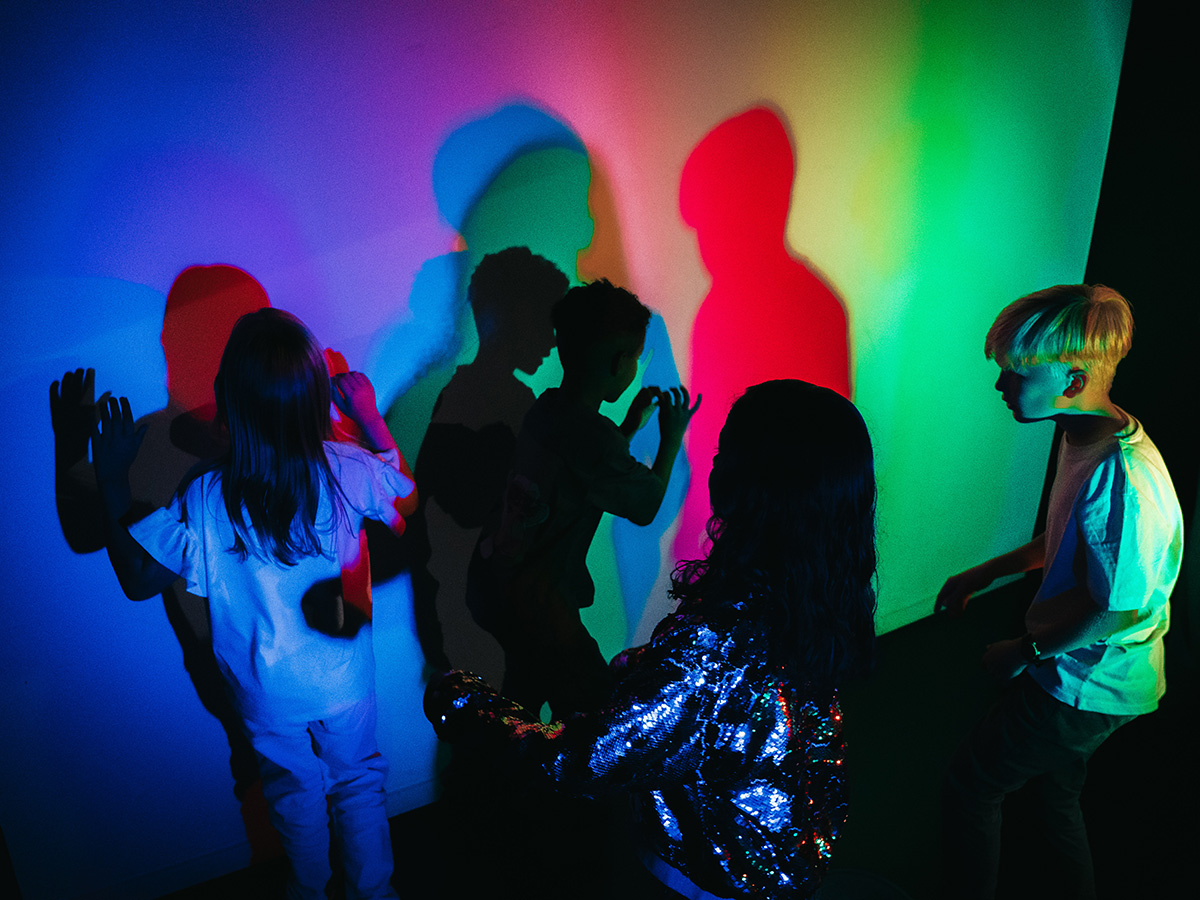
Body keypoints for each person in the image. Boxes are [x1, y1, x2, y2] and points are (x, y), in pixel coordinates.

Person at [429, 379, 878, 900]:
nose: (712, 463)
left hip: (700, 881)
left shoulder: (709, 650)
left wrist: (464, 701)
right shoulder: (814, 597)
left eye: (723, 451)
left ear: (751, 486)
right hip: (790, 863)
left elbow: (579, 762)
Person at [90, 308, 416, 900]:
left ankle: (308, 890)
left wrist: (112, 479)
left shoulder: (207, 496)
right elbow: (405, 497)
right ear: (317, 398)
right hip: (345, 677)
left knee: (294, 793)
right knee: (359, 781)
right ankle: (375, 894)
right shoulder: (344, 468)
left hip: (265, 689)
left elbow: (139, 580)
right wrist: (366, 416)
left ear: (226, 399)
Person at [936, 284, 1184, 899]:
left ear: (1072, 380)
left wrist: (1025, 651)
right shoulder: (1082, 436)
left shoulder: (1122, 475)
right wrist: (982, 573)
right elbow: (1067, 539)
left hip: (1088, 683)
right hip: (1092, 677)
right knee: (1055, 797)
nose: (1001, 387)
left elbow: (1117, 605)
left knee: (973, 787)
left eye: (1016, 374)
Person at [466, 278, 699, 718]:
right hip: (541, 605)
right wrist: (671, 438)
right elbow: (644, 504)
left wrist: (627, 426)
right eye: (634, 358)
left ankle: (513, 780)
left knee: (522, 702)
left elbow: (582, 475)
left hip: (500, 586)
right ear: (618, 362)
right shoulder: (592, 440)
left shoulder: (547, 409)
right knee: (596, 714)